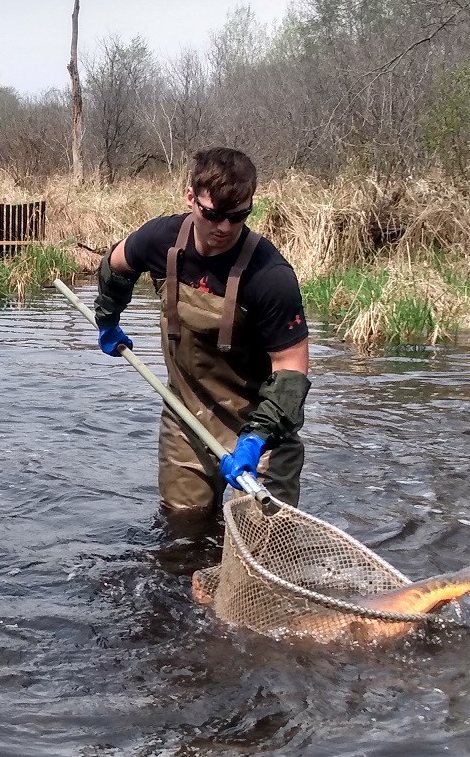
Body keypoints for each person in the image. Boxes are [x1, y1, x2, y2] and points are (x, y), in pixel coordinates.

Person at [94, 147, 311, 513]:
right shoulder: (159, 240)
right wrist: (108, 318)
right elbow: (116, 264)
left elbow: (291, 368)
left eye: (238, 216)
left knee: (262, 534)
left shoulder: (271, 277)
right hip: (186, 413)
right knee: (183, 529)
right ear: (191, 197)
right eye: (213, 215)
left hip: (262, 427)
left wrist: (256, 438)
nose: (225, 227)